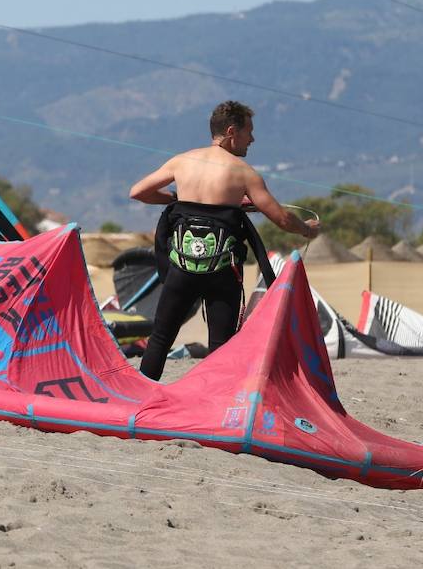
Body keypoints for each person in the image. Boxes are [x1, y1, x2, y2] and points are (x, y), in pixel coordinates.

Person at [128, 100, 319, 380]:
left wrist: (178, 198)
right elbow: (282, 218)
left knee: (161, 337)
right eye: (249, 132)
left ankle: (141, 401)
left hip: (182, 268)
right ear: (232, 131)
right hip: (222, 272)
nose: (252, 139)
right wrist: (307, 230)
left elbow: (138, 192)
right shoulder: (243, 172)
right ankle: (212, 407)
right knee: (220, 346)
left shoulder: (181, 161)